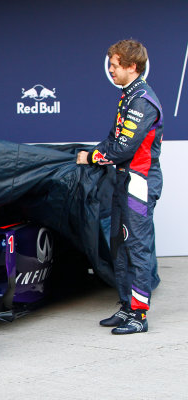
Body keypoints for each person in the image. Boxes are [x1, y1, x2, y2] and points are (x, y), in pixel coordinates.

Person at [77, 39, 163, 334]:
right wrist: (93, 152)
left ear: (132, 66)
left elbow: (122, 148)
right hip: (124, 181)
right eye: (110, 64)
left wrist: (90, 157)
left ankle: (139, 316)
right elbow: (112, 138)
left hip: (139, 182)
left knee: (137, 247)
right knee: (120, 246)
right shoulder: (128, 96)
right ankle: (127, 307)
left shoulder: (143, 100)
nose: (110, 69)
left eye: (115, 65)